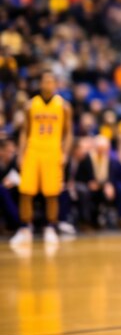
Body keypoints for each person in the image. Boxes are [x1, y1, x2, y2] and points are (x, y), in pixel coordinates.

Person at [11, 71, 73, 246]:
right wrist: (21, 153)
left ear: (56, 84)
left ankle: (50, 227)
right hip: (33, 150)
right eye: (45, 81)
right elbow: (24, 131)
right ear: (40, 84)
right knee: (26, 190)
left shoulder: (64, 106)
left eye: (51, 81)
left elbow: (69, 133)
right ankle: (25, 227)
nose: (48, 84)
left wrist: (65, 153)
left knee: (52, 192)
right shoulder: (31, 105)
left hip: (53, 150)